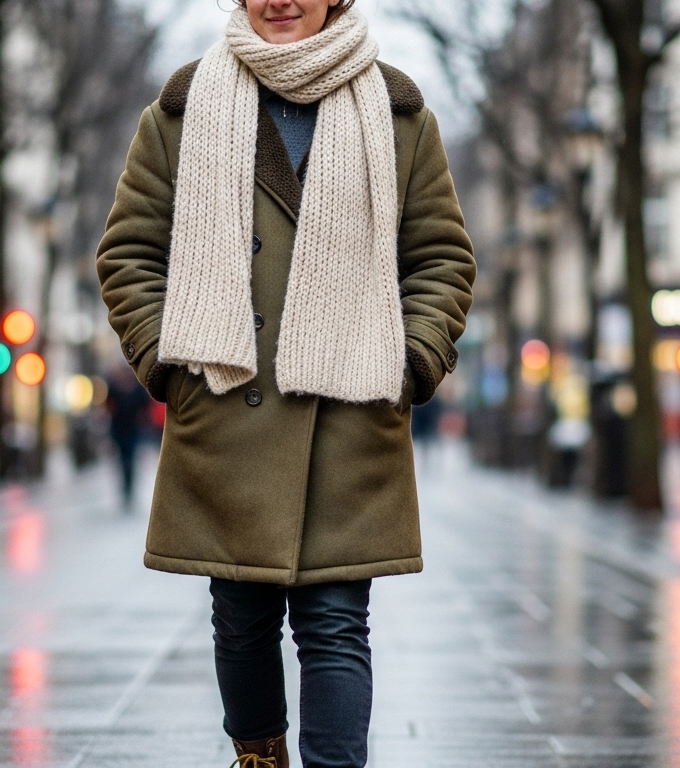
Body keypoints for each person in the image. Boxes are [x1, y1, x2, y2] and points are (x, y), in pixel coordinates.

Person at [96, 1, 476, 765]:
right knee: (240, 621)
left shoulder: (398, 114)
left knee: (334, 623)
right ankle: (259, 759)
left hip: (351, 414)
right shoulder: (180, 112)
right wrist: (168, 361)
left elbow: (441, 260)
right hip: (226, 411)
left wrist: (409, 362)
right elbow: (129, 254)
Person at [105, 365, 152, 507]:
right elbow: (108, 405)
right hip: (118, 429)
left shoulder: (137, 389)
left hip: (133, 429)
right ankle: (125, 488)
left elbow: (145, 406)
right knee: (122, 460)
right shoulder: (113, 387)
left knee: (130, 460)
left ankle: (129, 488)